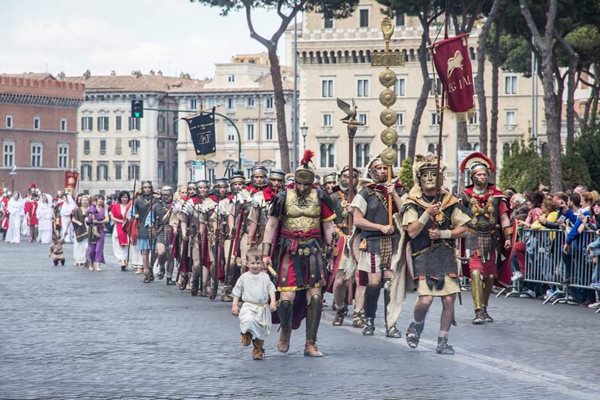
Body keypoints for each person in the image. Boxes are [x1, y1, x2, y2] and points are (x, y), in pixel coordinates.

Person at [261, 150, 337, 357]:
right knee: (286, 299)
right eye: (299, 184)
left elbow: (329, 227)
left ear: (312, 182)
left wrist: (331, 253)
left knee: (315, 298)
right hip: (288, 249)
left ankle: (310, 343)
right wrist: (266, 252)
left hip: (313, 250)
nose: (302, 188)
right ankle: (286, 330)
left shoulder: (320, 197)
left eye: (306, 184)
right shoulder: (283, 197)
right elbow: (271, 225)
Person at [402, 154, 471, 355]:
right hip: (423, 254)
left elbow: (465, 228)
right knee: (426, 300)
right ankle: (417, 323)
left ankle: (443, 340)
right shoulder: (412, 202)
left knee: (449, 300)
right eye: (426, 175)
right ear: (419, 178)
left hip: (446, 254)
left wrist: (444, 233)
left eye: (434, 175)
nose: (430, 179)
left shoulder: (450, 201)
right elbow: (412, 231)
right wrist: (427, 215)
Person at [351, 157, 404, 338]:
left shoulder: (398, 191)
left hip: (393, 243)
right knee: (374, 283)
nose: (382, 170)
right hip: (372, 242)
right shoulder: (365, 193)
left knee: (390, 284)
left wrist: (395, 194)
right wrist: (380, 227)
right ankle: (370, 321)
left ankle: (391, 324)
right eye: (378, 168)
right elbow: (358, 220)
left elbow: (406, 214)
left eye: (385, 168)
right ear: (372, 171)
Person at [459, 152, 512, 324]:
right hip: (473, 238)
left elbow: (504, 217)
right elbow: (457, 216)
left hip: (492, 240)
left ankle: (484, 307)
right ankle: (477, 311)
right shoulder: (465, 196)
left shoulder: (497, 196)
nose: (482, 177)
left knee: (489, 276)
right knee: (475, 273)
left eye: (484, 174)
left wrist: (508, 237)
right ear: (473, 176)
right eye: (478, 174)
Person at [231, 247, 277, 361]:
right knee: (248, 319)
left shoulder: (265, 277)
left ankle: (258, 349)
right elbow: (237, 291)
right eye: (252, 263)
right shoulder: (244, 277)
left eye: (258, 263)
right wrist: (235, 305)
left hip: (262, 308)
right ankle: (246, 333)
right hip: (249, 306)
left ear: (262, 263)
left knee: (261, 331)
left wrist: (273, 302)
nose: (255, 266)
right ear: (247, 263)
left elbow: (271, 289)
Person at [131, 181, 156, 283]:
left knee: (155, 251)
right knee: (145, 252)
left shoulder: (155, 200)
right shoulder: (137, 200)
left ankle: (150, 266)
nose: (147, 189)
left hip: (154, 227)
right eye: (145, 187)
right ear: (142, 188)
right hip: (143, 227)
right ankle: (146, 273)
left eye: (149, 187)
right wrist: (135, 215)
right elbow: (132, 213)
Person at [110, 191, 131, 271]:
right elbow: (112, 217)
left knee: (127, 244)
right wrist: (121, 221)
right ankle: (122, 261)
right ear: (120, 198)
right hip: (119, 226)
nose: (124, 199)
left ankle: (125, 260)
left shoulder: (130, 206)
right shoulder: (116, 206)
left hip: (128, 227)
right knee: (119, 244)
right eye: (123, 197)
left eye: (126, 197)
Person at [87, 195, 109, 272]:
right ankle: (90, 264)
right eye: (99, 199)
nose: (100, 200)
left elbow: (107, 219)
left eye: (102, 199)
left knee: (99, 248)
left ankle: (98, 265)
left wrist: (99, 222)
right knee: (91, 249)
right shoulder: (91, 209)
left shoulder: (104, 209)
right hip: (92, 229)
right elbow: (88, 220)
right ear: (95, 200)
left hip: (101, 229)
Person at [70, 194, 90, 268]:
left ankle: (86, 260)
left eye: (86, 200)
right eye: (83, 200)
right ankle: (80, 261)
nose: (85, 201)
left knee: (86, 246)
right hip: (79, 229)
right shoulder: (77, 210)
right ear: (81, 201)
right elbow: (73, 219)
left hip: (88, 228)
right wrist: (79, 223)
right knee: (79, 246)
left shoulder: (90, 209)